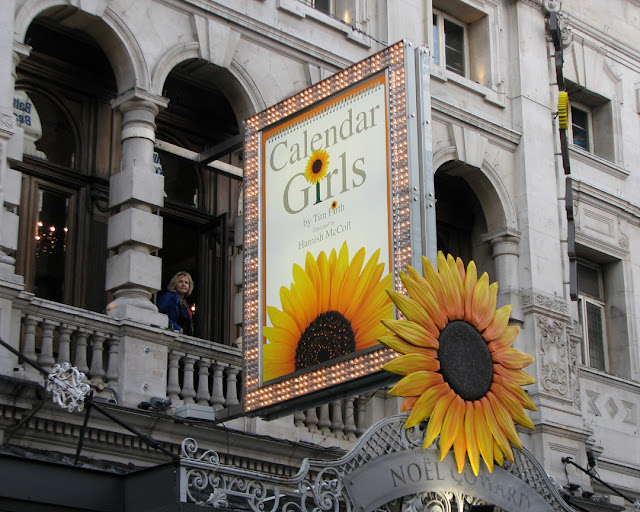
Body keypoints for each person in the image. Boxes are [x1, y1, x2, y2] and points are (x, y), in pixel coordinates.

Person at [157, 271, 194, 335]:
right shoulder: (168, 297)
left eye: (186, 282)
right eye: (180, 282)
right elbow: (158, 314)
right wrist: (176, 327)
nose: (183, 284)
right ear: (175, 284)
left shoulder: (185, 304)